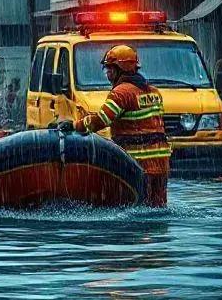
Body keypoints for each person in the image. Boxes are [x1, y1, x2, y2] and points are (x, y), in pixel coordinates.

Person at [59, 45, 170, 207]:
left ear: (119, 69)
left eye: (109, 69)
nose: (108, 74)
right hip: (161, 163)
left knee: (131, 205)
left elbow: (101, 120)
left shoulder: (121, 93)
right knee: (157, 206)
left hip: (137, 163)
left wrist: (74, 125)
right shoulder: (153, 92)